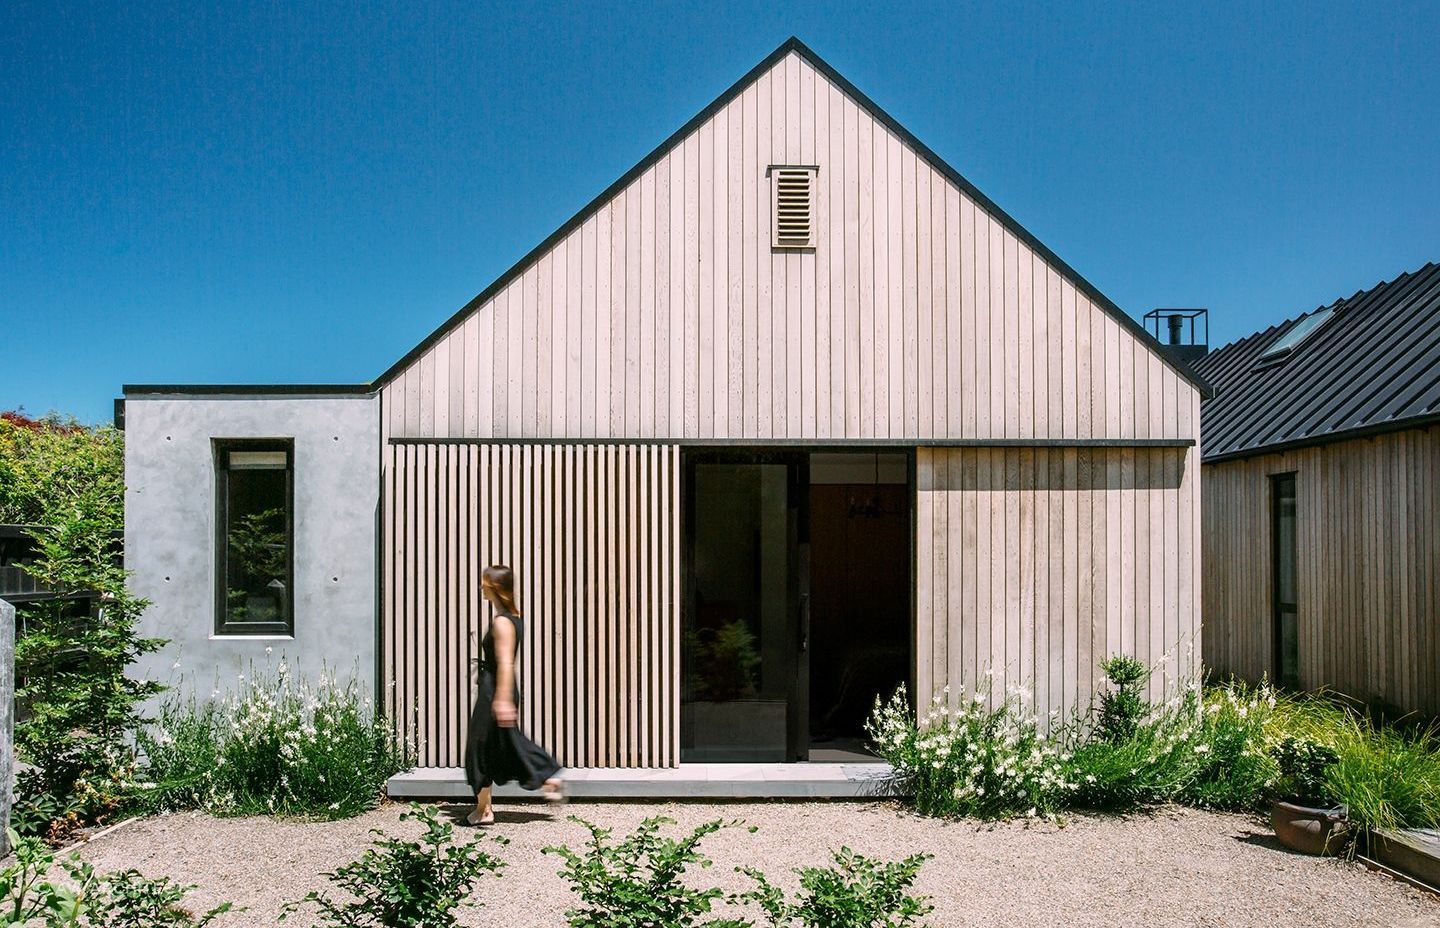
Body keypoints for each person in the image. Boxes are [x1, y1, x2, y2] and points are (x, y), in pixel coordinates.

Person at [464, 564, 564, 825]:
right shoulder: (510, 617)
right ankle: (544, 776)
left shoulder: (502, 622)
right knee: (501, 742)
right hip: (496, 688)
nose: (480, 587)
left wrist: (502, 698)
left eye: (484, 583)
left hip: (495, 690)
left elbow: (507, 663)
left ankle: (485, 810)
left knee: (481, 746)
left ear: (494, 587)